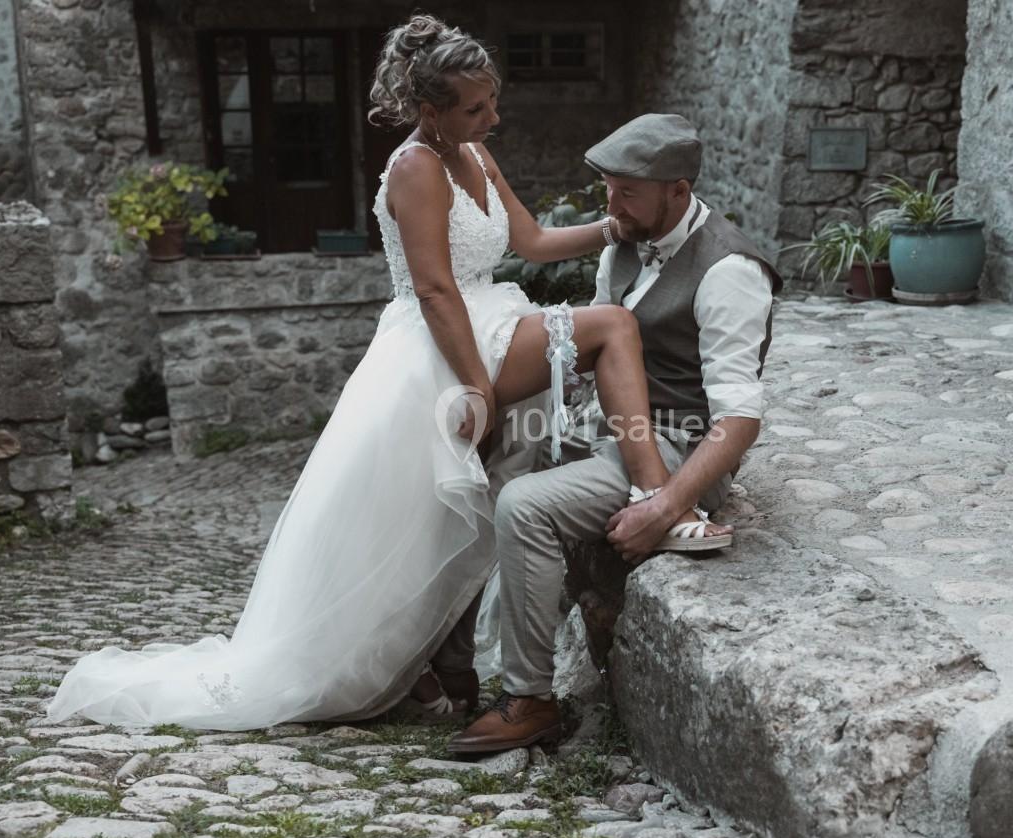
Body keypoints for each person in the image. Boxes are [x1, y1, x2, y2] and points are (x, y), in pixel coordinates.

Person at [44, 17, 732, 731]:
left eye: (492, 101)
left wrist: (613, 230)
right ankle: (661, 493)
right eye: (475, 108)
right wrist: (474, 387)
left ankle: (449, 669)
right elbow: (435, 290)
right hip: (444, 344)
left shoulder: (472, 150)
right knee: (611, 328)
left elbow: (528, 240)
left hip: (489, 318)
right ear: (429, 110)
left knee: (459, 521)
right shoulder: (415, 167)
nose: (492, 117)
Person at [448, 113, 783, 753]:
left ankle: (531, 700)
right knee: (467, 469)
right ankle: (444, 666)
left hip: (672, 442)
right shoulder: (624, 243)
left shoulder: (730, 270)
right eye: (607, 187)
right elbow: (593, 355)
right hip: (601, 425)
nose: (611, 205)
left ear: (678, 191)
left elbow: (739, 417)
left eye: (627, 191)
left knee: (524, 506)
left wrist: (667, 503)